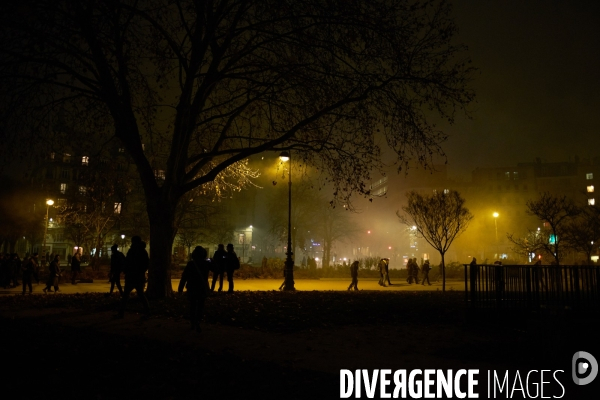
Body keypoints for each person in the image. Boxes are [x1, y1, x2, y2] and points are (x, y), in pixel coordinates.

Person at [178, 246, 210, 332]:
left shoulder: (191, 264)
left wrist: (180, 288)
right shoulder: (206, 264)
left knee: (192, 305)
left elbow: (184, 276)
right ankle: (198, 322)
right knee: (200, 306)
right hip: (202, 287)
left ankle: (193, 322)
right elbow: (217, 269)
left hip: (192, 287)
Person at [118, 235, 150, 317]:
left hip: (132, 275)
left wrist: (126, 269)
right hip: (138, 275)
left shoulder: (132, 251)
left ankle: (121, 313)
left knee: (126, 295)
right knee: (140, 294)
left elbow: (128, 262)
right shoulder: (142, 251)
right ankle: (147, 312)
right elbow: (146, 264)